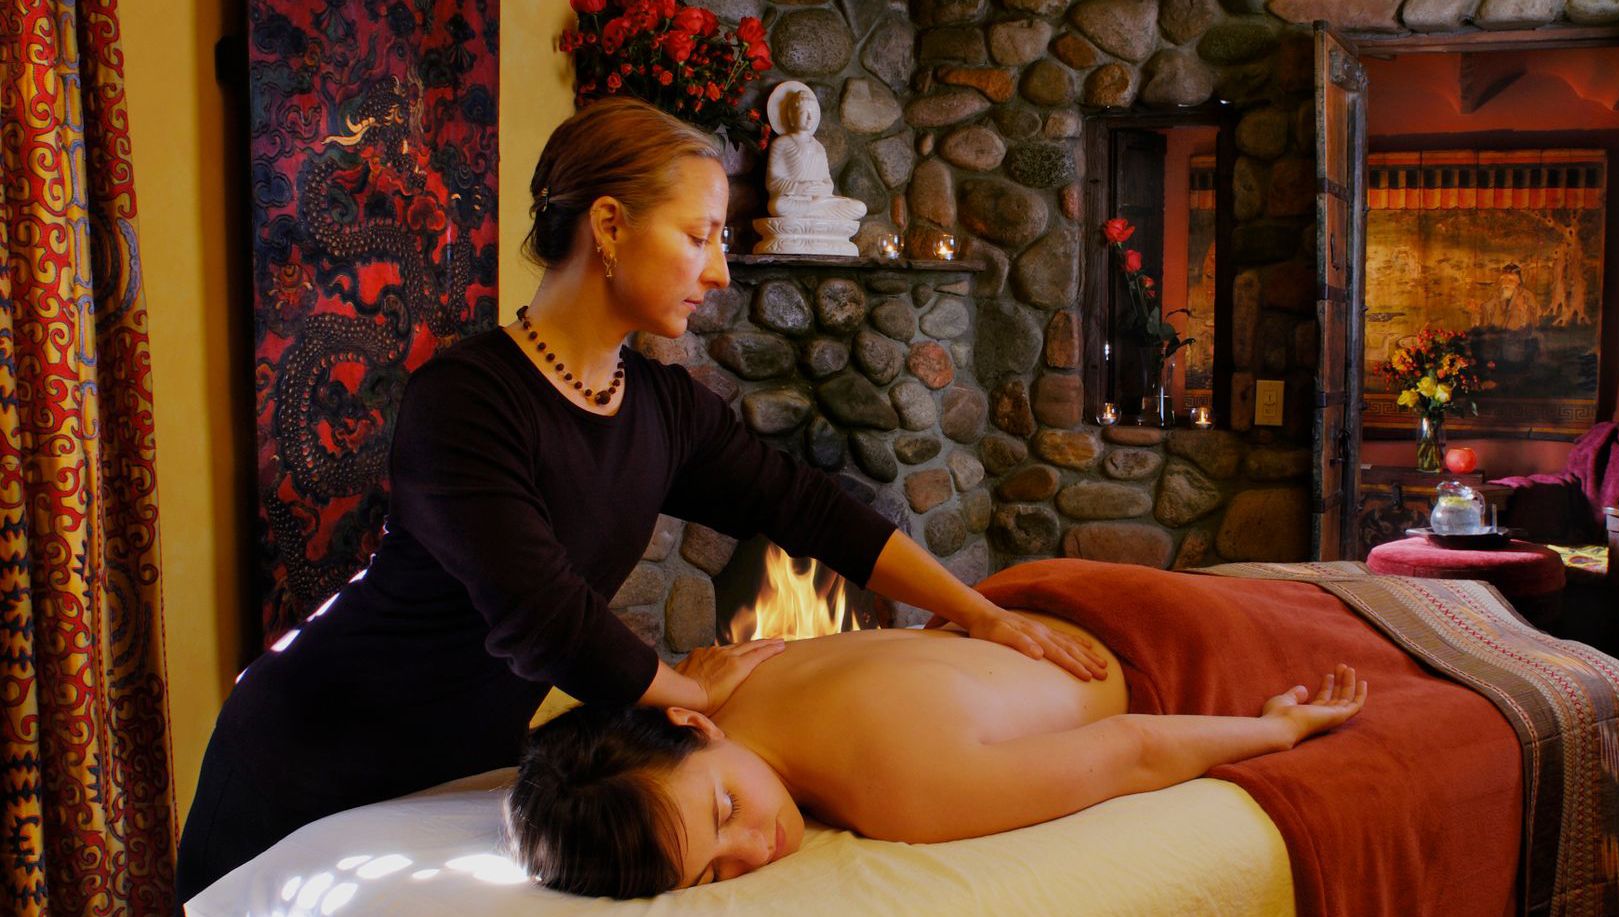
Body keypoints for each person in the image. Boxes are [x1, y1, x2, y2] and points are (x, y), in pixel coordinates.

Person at [175, 97, 1105, 902]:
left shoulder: (659, 406)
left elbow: (809, 506)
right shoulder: (466, 399)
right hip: (311, 747)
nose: (720, 272)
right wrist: (690, 692)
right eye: (700, 237)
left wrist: (978, 611)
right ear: (611, 226)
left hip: (459, 765)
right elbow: (545, 620)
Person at [506, 592, 1369, 898]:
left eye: (725, 809)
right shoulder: (724, 679)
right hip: (1027, 601)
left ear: (692, 728)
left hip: (1148, 646)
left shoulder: (898, 789)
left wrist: (1274, 729)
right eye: (712, 874)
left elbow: (1131, 747)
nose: (755, 848)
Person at [763, 82, 865, 220]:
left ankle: (812, 210)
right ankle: (816, 210)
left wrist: (823, 189)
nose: (810, 118)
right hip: (795, 199)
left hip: (820, 199)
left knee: (859, 207)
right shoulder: (781, 143)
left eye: (813, 113)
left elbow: (827, 181)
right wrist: (800, 188)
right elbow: (772, 183)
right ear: (791, 116)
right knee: (777, 206)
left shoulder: (819, 147)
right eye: (804, 113)